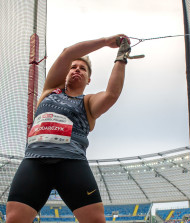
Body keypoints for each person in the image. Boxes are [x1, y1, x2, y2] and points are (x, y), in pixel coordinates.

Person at [6, 34, 131, 223]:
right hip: (35, 161)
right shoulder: (50, 90)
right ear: (66, 73)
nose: (77, 70)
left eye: (83, 69)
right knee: (14, 219)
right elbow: (67, 54)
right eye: (73, 67)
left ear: (88, 79)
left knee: (96, 221)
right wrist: (105, 42)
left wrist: (121, 58)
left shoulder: (88, 102)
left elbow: (111, 94)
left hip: (71, 163)